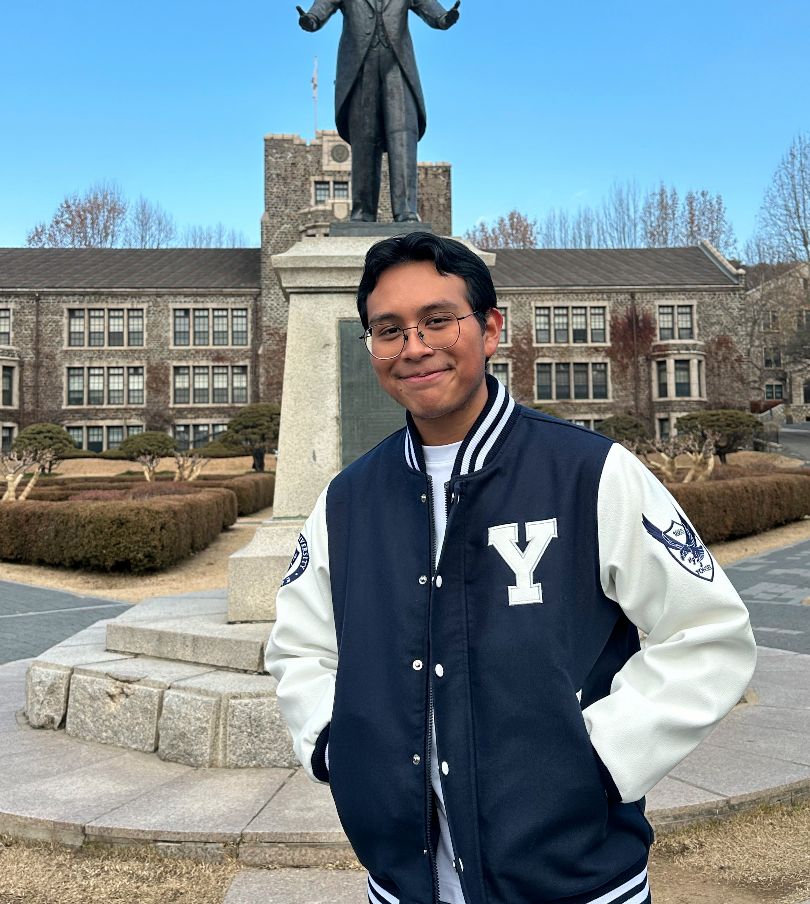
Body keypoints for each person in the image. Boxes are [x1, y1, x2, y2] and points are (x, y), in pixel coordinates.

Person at [266, 232, 756, 904]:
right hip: (406, 883)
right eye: (389, 329)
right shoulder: (345, 502)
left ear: (491, 328)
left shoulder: (590, 473)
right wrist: (335, 747)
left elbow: (708, 636)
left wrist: (598, 762)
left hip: (574, 882)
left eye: (438, 319)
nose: (414, 346)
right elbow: (299, 645)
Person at [296, 0, 459, 223]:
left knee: (402, 136)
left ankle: (406, 211)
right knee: (364, 139)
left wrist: (444, 18)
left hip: (397, 69)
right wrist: (311, 19)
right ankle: (362, 211)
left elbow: (432, 10)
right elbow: (321, 7)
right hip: (360, 71)